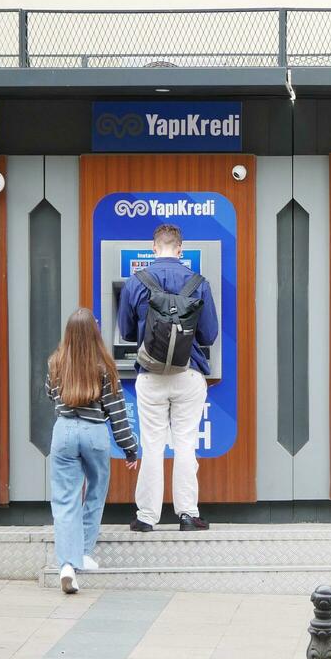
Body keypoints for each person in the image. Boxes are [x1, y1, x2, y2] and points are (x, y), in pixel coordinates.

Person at [116, 222, 219, 533]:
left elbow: (125, 331)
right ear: (180, 250)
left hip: (150, 374)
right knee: (186, 443)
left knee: (152, 445)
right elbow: (210, 334)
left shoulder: (136, 281)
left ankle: (147, 517)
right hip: (188, 373)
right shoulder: (198, 282)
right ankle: (188, 514)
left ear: (153, 248)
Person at [45, 308, 138, 595]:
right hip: (94, 431)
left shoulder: (56, 363)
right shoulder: (104, 366)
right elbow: (117, 412)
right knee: (95, 490)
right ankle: (84, 552)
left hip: (63, 431)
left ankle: (67, 566)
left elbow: (50, 393)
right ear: (95, 334)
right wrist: (130, 448)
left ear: (69, 333)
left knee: (64, 500)